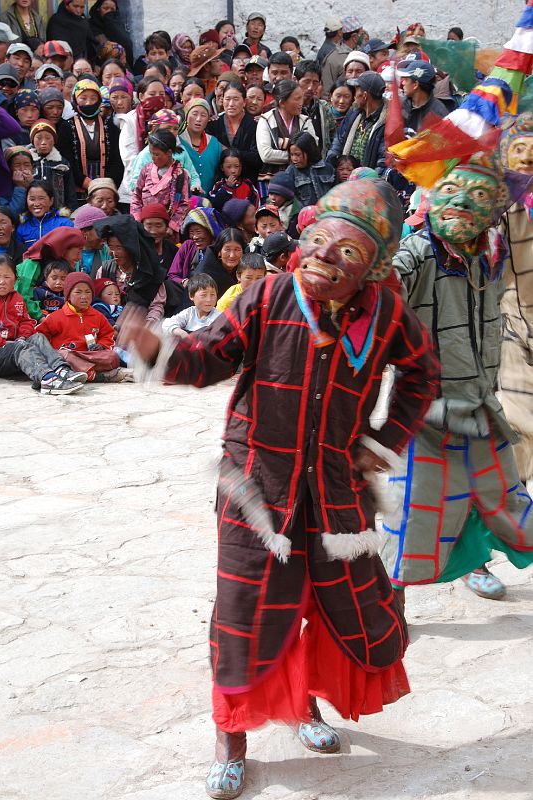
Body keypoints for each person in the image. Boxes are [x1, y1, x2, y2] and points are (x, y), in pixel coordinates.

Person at [118, 171, 439, 800]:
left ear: (371, 269)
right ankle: (230, 738)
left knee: (334, 604)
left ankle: (303, 707)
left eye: (347, 251)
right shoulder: (265, 296)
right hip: (256, 489)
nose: (324, 257)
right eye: (319, 241)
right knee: (245, 614)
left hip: (336, 489)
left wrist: (382, 441)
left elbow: (422, 374)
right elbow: (208, 358)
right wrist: (157, 350)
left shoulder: (388, 314)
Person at [380, 152, 533, 606]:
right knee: (415, 510)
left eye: (478, 198)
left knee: (503, 497)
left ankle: (474, 561)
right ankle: (390, 602)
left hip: (480, 402)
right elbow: (389, 285)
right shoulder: (418, 251)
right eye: (451, 193)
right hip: (425, 411)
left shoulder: (490, 251)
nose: (463, 205)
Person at [498, 113, 533, 487]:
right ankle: (518, 504)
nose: (525, 159)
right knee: (519, 421)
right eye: (518, 151)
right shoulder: (502, 203)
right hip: (513, 325)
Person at [0, 255, 86, 394]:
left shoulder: (17, 298)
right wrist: (5, 342)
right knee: (22, 348)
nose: (2, 282)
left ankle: (61, 369)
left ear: (15, 279)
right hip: (1, 352)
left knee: (38, 337)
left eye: (7, 277)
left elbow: (26, 321)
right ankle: (47, 379)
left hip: (16, 346)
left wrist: (23, 336)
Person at [36, 271, 123, 382]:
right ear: (68, 295)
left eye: (88, 292)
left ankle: (82, 372)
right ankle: (96, 376)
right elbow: (40, 336)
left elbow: (107, 334)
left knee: (112, 356)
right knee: (64, 355)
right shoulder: (57, 317)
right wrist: (52, 351)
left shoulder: (97, 316)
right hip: (68, 356)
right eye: (78, 292)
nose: (84, 296)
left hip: (89, 355)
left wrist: (101, 345)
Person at [58, 79, 123, 201]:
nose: (88, 103)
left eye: (93, 98)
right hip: (77, 191)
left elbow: (117, 160)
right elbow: (67, 160)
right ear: (75, 100)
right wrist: (85, 182)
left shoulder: (110, 127)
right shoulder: (66, 127)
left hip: (107, 189)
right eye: (83, 98)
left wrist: (106, 185)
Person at [92, 213, 164, 307]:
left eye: (119, 248)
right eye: (111, 247)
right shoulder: (104, 270)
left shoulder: (148, 272)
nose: (114, 253)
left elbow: (156, 306)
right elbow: (96, 300)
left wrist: (148, 321)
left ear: (131, 248)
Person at [256, 79, 317, 189]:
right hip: (272, 181)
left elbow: (313, 149)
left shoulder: (305, 121)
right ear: (282, 103)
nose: (301, 103)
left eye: (301, 98)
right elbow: (266, 154)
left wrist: (283, 147)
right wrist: (297, 155)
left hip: (303, 180)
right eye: (297, 99)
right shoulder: (266, 120)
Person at [130, 129, 190, 240]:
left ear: (169, 153)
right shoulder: (146, 169)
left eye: (157, 154)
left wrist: (172, 227)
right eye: (151, 153)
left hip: (166, 231)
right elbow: (136, 196)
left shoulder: (181, 175)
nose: (153, 157)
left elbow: (183, 204)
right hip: (145, 227)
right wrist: (138, 221)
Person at [15, 225, 84, 319]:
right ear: (64, 249)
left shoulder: (68, 266)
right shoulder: (32, 264)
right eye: (79, 252)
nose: (80, 257)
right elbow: (23, 296)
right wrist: (40, 317)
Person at [118, 76, 166, 208]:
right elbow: (128, 157)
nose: (158, 97)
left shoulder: (167, 119)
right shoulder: (130, 120)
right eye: (152, 94)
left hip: (165, 189)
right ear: (141, 96)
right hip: (134, 189)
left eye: (161, 94)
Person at [129, 108, 201, 194]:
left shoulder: (181, 151)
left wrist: (195, 185)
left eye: (175, 129)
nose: (172, 132)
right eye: (168, 128)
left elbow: (193, 175)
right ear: (155, 128)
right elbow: (135, 184)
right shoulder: (146, 154)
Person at [327, 72, 387, 172]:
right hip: (346, 180)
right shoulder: (353, 113)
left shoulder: (386, 123)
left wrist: (367, 181)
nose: (354, 95)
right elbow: (338, 140)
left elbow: (383, 162)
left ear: (364, 96)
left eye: (356, 90)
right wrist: (333, 162)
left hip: (368, 183)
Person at [207, 81, 261, 185]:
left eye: (236, 99)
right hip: (219, 184)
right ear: (222, 101)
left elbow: (257, 158)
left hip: (248, 182)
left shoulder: (255, 124)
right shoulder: (213, 124)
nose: (231, 104)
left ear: (244, 102)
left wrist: (228, 151)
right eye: (227, 99)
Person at [28, 119, 77, 211]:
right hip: (33, 212)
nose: (43, 142)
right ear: (32, 140)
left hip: (57, 212)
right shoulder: (27, 162)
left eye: (48, 138)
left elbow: (70, 193)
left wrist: (71, 211)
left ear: (54, 140)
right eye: (39, 138)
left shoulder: (62, 164)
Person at [179, 98, 223, 195]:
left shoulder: (214, 143)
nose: (198, 119)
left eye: (203, 115)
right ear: (186, 116)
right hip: (182, 201)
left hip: (209, 201)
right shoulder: (177, 142)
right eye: (194, 114)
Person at [294, 60, 336, 158]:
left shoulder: (324, 108)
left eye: (315, 83)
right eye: (306, 82)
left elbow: (333, 135)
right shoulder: (289, 107)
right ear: (296, 81)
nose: (310, 87)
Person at [16, 179, 74, 248]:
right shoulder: (22, 227)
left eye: (41, 198)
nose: (36, 204)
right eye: (32, 199)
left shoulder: (64, 224)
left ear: (51, 201)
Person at [286, 131, 336, 208]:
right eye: (292, 155)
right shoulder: (291, 172)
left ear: (309, 152)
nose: (294, 159)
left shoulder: (328, 169)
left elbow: (337, 195)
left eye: (297, 154)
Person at [193, 227, 245, 299]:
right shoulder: (204, 272)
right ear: (219, 252)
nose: (232, 255)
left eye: (237, 250)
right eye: (227, 249)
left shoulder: (245, 269)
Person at [321, 16, 364, 99]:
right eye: (361, 34)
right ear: (355, 36)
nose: (363, 37)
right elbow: (327, 91)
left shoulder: (361, 54)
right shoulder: (333, 58)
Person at [397, 61, 448, 131]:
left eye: (406, 80)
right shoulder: (400, 104)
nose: (402, 83)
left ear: (415, 84)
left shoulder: (439, 114)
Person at [88, 0, 134, 69]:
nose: (109, 12)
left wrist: (112, 25)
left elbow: (127, 46)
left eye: (112, 9)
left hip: (123, 66)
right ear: (98, 9)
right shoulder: (90, 26)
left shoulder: (119, 26)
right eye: (105, 8)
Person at [137, 203, 177, 274]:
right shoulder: (136, 251)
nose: (153, 231)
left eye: (158, 226)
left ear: (166, 227)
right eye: (149, 226)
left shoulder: (173, 251)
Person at [74, 203, 111, 277]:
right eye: (100, 231)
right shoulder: (70, 253)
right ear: (84, 232)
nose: (105, 236)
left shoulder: (108, 252)